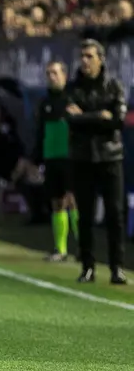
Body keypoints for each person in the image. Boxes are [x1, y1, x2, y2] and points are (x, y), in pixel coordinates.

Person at [65, 39, 127, 284]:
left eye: (90, 56)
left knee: (115, 214)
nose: (85, 61)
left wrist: (85, 117)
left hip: (110, 157)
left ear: (101, 59)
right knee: (86, 216)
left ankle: (117, 268)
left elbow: (118, 121)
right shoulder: (73, 88)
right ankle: (88, 266)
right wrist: (99, 116)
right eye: (82, 56)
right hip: (82, 158)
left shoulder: (114, 87)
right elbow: (70, 120)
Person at [32, 61, 79, 261]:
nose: (52, 77)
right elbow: (41, 132)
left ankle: (84, 249)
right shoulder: (44, 103)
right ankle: (60, 250)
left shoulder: (73, 99)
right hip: (51, 158)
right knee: (57, 202)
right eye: (49, 73)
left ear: (64, 75)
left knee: (73, 201)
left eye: (55, 73)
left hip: (70, 157)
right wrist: (37, 158)